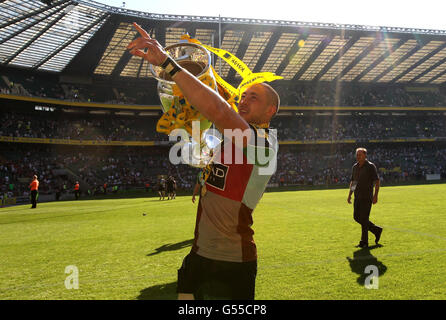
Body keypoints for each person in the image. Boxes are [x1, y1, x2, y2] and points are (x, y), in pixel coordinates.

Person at [128, 22, 279, 300]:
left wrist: (166, 61)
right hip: (199, 254)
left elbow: (220, 111)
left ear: (270, 110)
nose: (243, 101)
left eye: (253, 98)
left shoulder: (264, 143)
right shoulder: (230, 142)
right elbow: (204, 141)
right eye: (242, 95)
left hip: (231, 262)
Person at [347, 147, 383, 248]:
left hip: (367, 197)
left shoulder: (371, 166)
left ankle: (364, 242)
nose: (358, 157)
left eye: (360, 155)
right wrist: (350, 194)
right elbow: (353, 182)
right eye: (357, 155)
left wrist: (375, 195)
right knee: (356, 217)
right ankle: (376, 230)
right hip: (357, 196)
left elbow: (377, 181)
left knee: (364, 218)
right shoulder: (355, 167)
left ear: (365, 155)